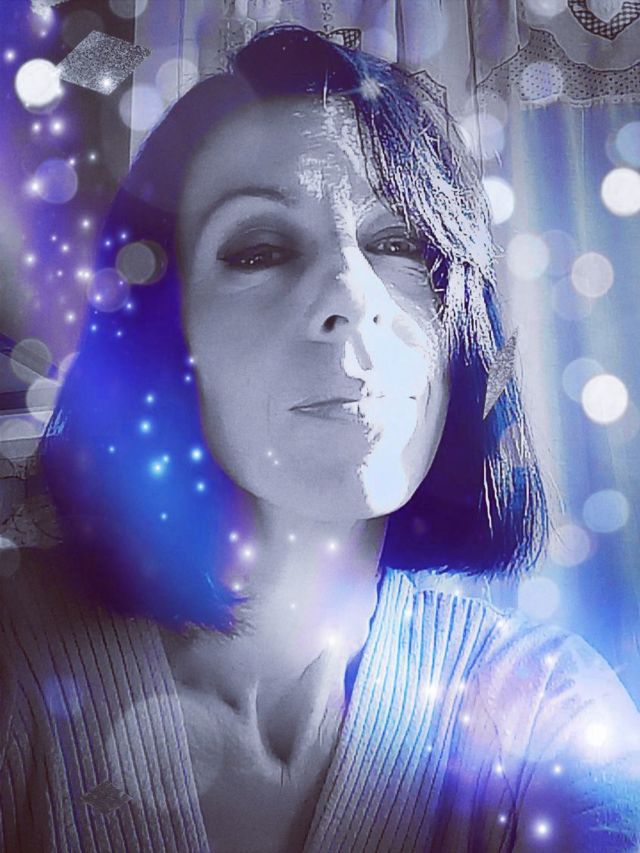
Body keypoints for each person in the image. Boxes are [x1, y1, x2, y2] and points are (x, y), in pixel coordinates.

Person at [1, 24, 639, 853]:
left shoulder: (550, 707)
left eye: (400, 244)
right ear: (166, 339)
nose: (352, 294)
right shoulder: (16, 663)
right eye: (261, 249)